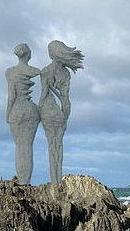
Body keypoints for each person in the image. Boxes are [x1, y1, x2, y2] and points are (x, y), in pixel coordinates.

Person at [39, 40, 84, 184]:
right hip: (61, 113)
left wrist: (39, 110)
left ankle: (54, 181)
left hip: (48, 110)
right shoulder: (65, 73)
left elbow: (44, 94)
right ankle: (57, 180)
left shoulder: (45, 71)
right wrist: (65, 115)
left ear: (52, 53)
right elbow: (65, 97)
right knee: (59, 145)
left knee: (51, 144)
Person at [6, 43, 40, 185]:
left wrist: (8, 113)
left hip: (17, 111)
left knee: (19, 147)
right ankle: (25, 182)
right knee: (27, 147)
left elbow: (12, 95)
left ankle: (22, 181)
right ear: (28, 54)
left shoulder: (10, 72)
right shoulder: (35, 70)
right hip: (31, 110)